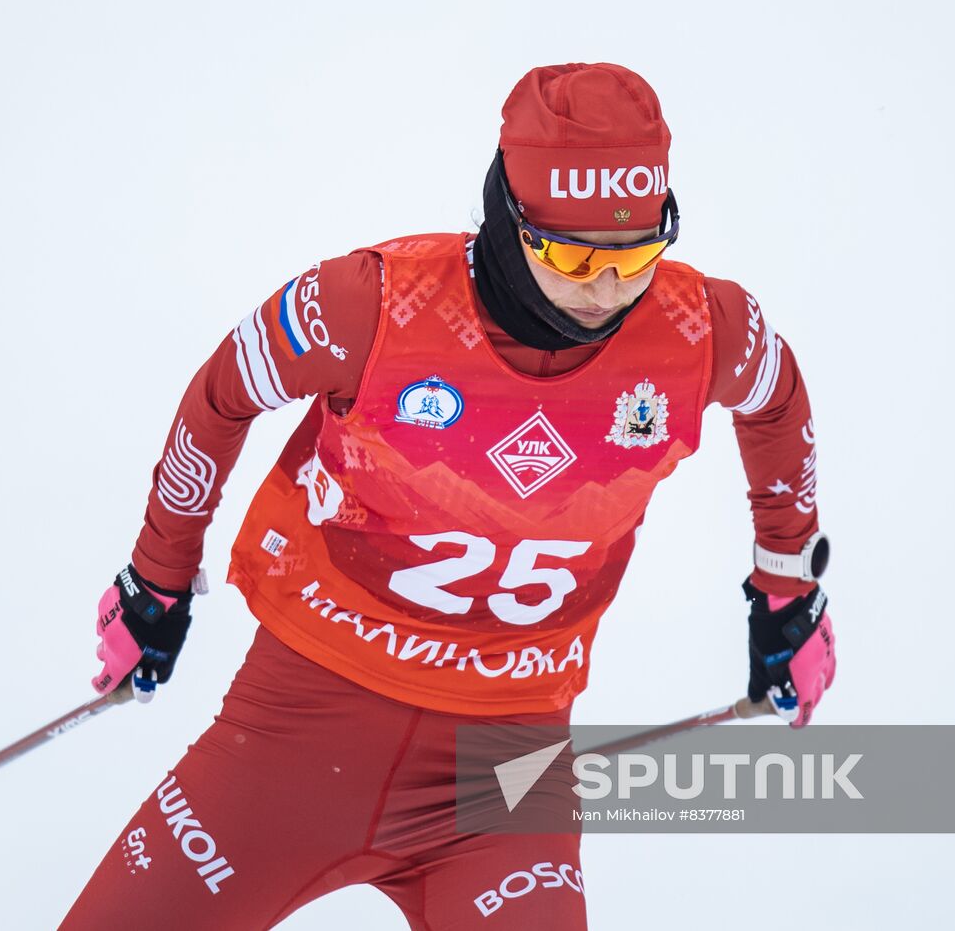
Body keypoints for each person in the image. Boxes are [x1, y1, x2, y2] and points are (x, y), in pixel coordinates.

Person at [60, 62, 835, 930]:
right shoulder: (373, 305)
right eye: (575, 256)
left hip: (506, 776)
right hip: (296, 732)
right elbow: (222, 394)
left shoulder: (703, 330)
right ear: (512, 220)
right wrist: (157, 578)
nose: (608, 288)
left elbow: (778, 402)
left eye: (638, 254)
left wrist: (787, 590)